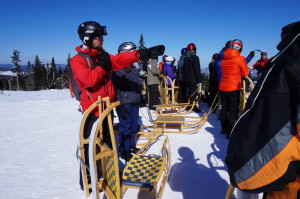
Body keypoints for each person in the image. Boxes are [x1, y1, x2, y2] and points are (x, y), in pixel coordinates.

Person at [70, 21, 164, 190]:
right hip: (93, 113)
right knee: (90, 147)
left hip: (106, 109)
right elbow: (87, 80)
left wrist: (140, 54)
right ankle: (89, 180)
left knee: (107, 144)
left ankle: (107, 173)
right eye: (98, 37)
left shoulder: (101, 56)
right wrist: (101, 67)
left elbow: (120, 60)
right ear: (87, 39)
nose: (102, 40)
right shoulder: (78, 60)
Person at [225, 21, 300, 199]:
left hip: (225, 87)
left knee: (229, 108)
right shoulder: (283, 61)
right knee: (233, 107)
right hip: (236, 87)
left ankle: (226, 128)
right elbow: (244, 68)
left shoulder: (223, 58)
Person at [113, 42, 141, 162]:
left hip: (134, 100)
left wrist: (141, 97)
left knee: (134, 125)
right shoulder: (119, 69)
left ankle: (131, 146)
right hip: (125, 102)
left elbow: (136, 84)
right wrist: (120, 104)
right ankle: (124, 150)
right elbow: (116, 88)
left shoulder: (133, 68)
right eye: (132, 52)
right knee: (126, 127)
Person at [218, 39, 249, 139]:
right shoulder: (240, 59)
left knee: (224, 108)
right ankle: (230, 131)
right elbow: (245, 73)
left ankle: (224, 128)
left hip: (222, 86)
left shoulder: (223, 58)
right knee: (233, 110)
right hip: (233, 87)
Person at [183, 43, 201, 108]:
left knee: (188, 92)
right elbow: (197, 69)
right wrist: (199, 80)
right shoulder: (195, 58)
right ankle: (193, 106)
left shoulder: (186, 58)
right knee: (193, 93)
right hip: (193, 79)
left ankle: (188, 105)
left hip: (187, 78)